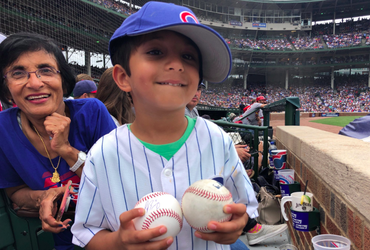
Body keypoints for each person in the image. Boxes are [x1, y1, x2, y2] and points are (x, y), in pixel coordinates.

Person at [72, 2, 258, 250]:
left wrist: (238, 223)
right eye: (156, 52)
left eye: (189, 57)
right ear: (123, 77)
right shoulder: (102, 153)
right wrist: (118, 242)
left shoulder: (217, 139)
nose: (177, 65)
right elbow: (87, 234)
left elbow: (245, 209)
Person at [0, 32, 116, 250]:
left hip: (111, 237)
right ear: (6, 89)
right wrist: (45, 197)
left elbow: (117, 184)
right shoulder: (2, 129)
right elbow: (15, 192)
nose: (35, 83)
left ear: (63, 80)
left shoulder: (92, 112)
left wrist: (66, 150)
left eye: (45, 70)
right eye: (18, 73)